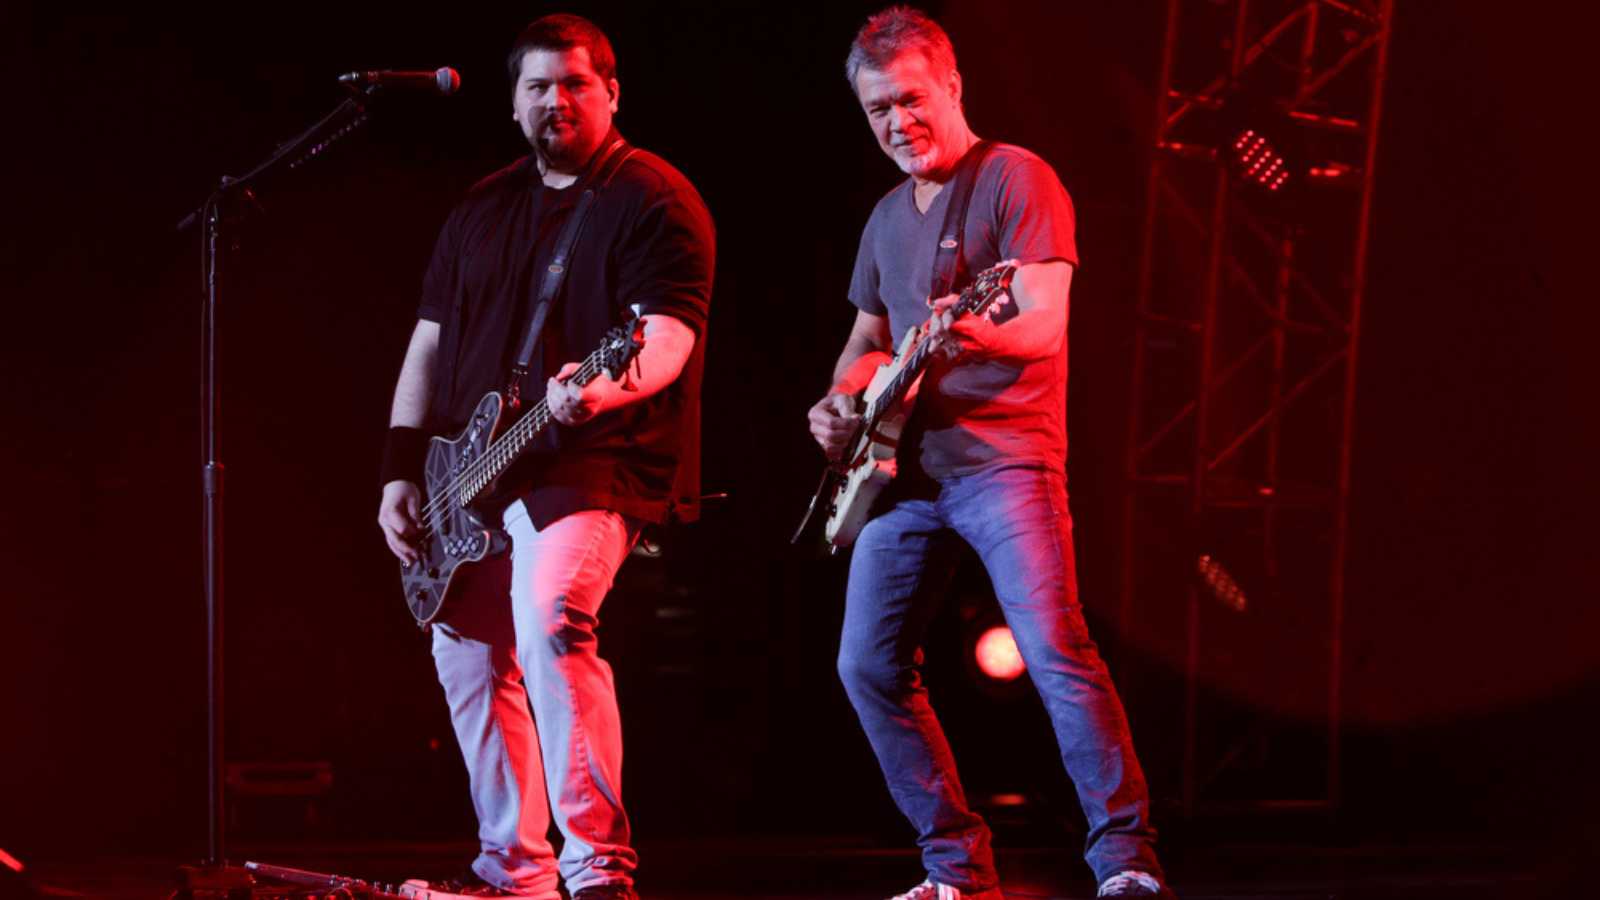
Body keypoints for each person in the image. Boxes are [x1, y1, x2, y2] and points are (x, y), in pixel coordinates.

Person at [807, 8, 1172, 899]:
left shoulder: (1017, 179)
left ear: (954, 86)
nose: (898, 124)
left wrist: (966, 328)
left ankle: (1125, 861)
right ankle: (954, 869)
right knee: (866, 666)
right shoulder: (886, 217)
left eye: (912, 100)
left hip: (1006, 461)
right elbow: (868, 337)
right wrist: (838, 400)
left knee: (1054, 645)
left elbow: (1043, 322)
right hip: (902, 474)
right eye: (878, 110)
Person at [376, 13, 713, 900]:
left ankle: (598, 868)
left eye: (573, 83)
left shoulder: (654, 199)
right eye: (537, 86)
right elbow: (428, 343)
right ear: (514, 102)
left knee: (551, 616)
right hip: (472, 472)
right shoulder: (481, 206)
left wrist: (596, 389)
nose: (555, 101)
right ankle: (512, 871)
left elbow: (668, 336)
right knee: (467, 652)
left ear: (611, 92)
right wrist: (399, 469)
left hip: (593, 458)